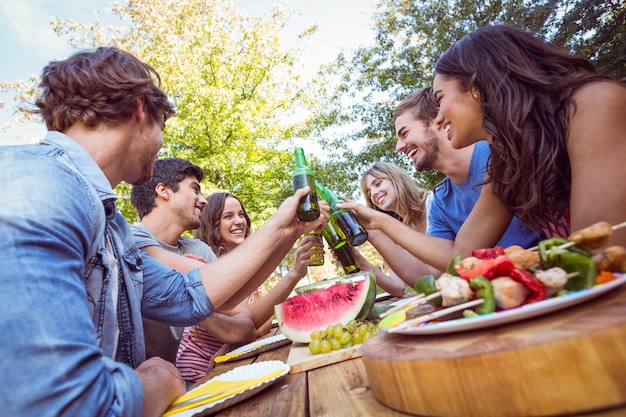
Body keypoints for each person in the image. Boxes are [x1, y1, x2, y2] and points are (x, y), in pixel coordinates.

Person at [0, 46, 326, 417]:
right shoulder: (36, 189)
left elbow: (187, 295)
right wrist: (160, 380)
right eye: (162, 129)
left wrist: (283, 229)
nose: (160, 146)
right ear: (140, 109)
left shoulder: (111, 226)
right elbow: (63, 402)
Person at [431, 24, 626, 253]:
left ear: (477, 87)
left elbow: (602, 254)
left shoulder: (592, 104)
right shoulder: (507, 158)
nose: (438, 118)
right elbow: (462, 252)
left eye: (440, 98)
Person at [339, 83, 543, 272]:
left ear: (437, 118)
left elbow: (459, 254)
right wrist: (375, 226)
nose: (398, 147)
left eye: (404, 133)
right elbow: (433, 273)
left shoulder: (499, 154)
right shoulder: (440, 204)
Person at [176, 192, 323, 382]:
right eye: (228, 216)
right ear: (212, 224)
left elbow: (261, 323)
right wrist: (237, 337)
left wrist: (233, 341)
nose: (239, 221)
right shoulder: (209, 267)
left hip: (231, 364)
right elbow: (250, 322)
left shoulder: (246, 266)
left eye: (241, 214)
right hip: (199, 372)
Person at [354, 161, 430, 291]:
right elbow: (397, 287)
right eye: (369, 192)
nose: (373, 194)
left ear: (397, 178)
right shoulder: (393, 233)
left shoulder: (432, 204)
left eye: (378, 184)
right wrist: (357, 259)